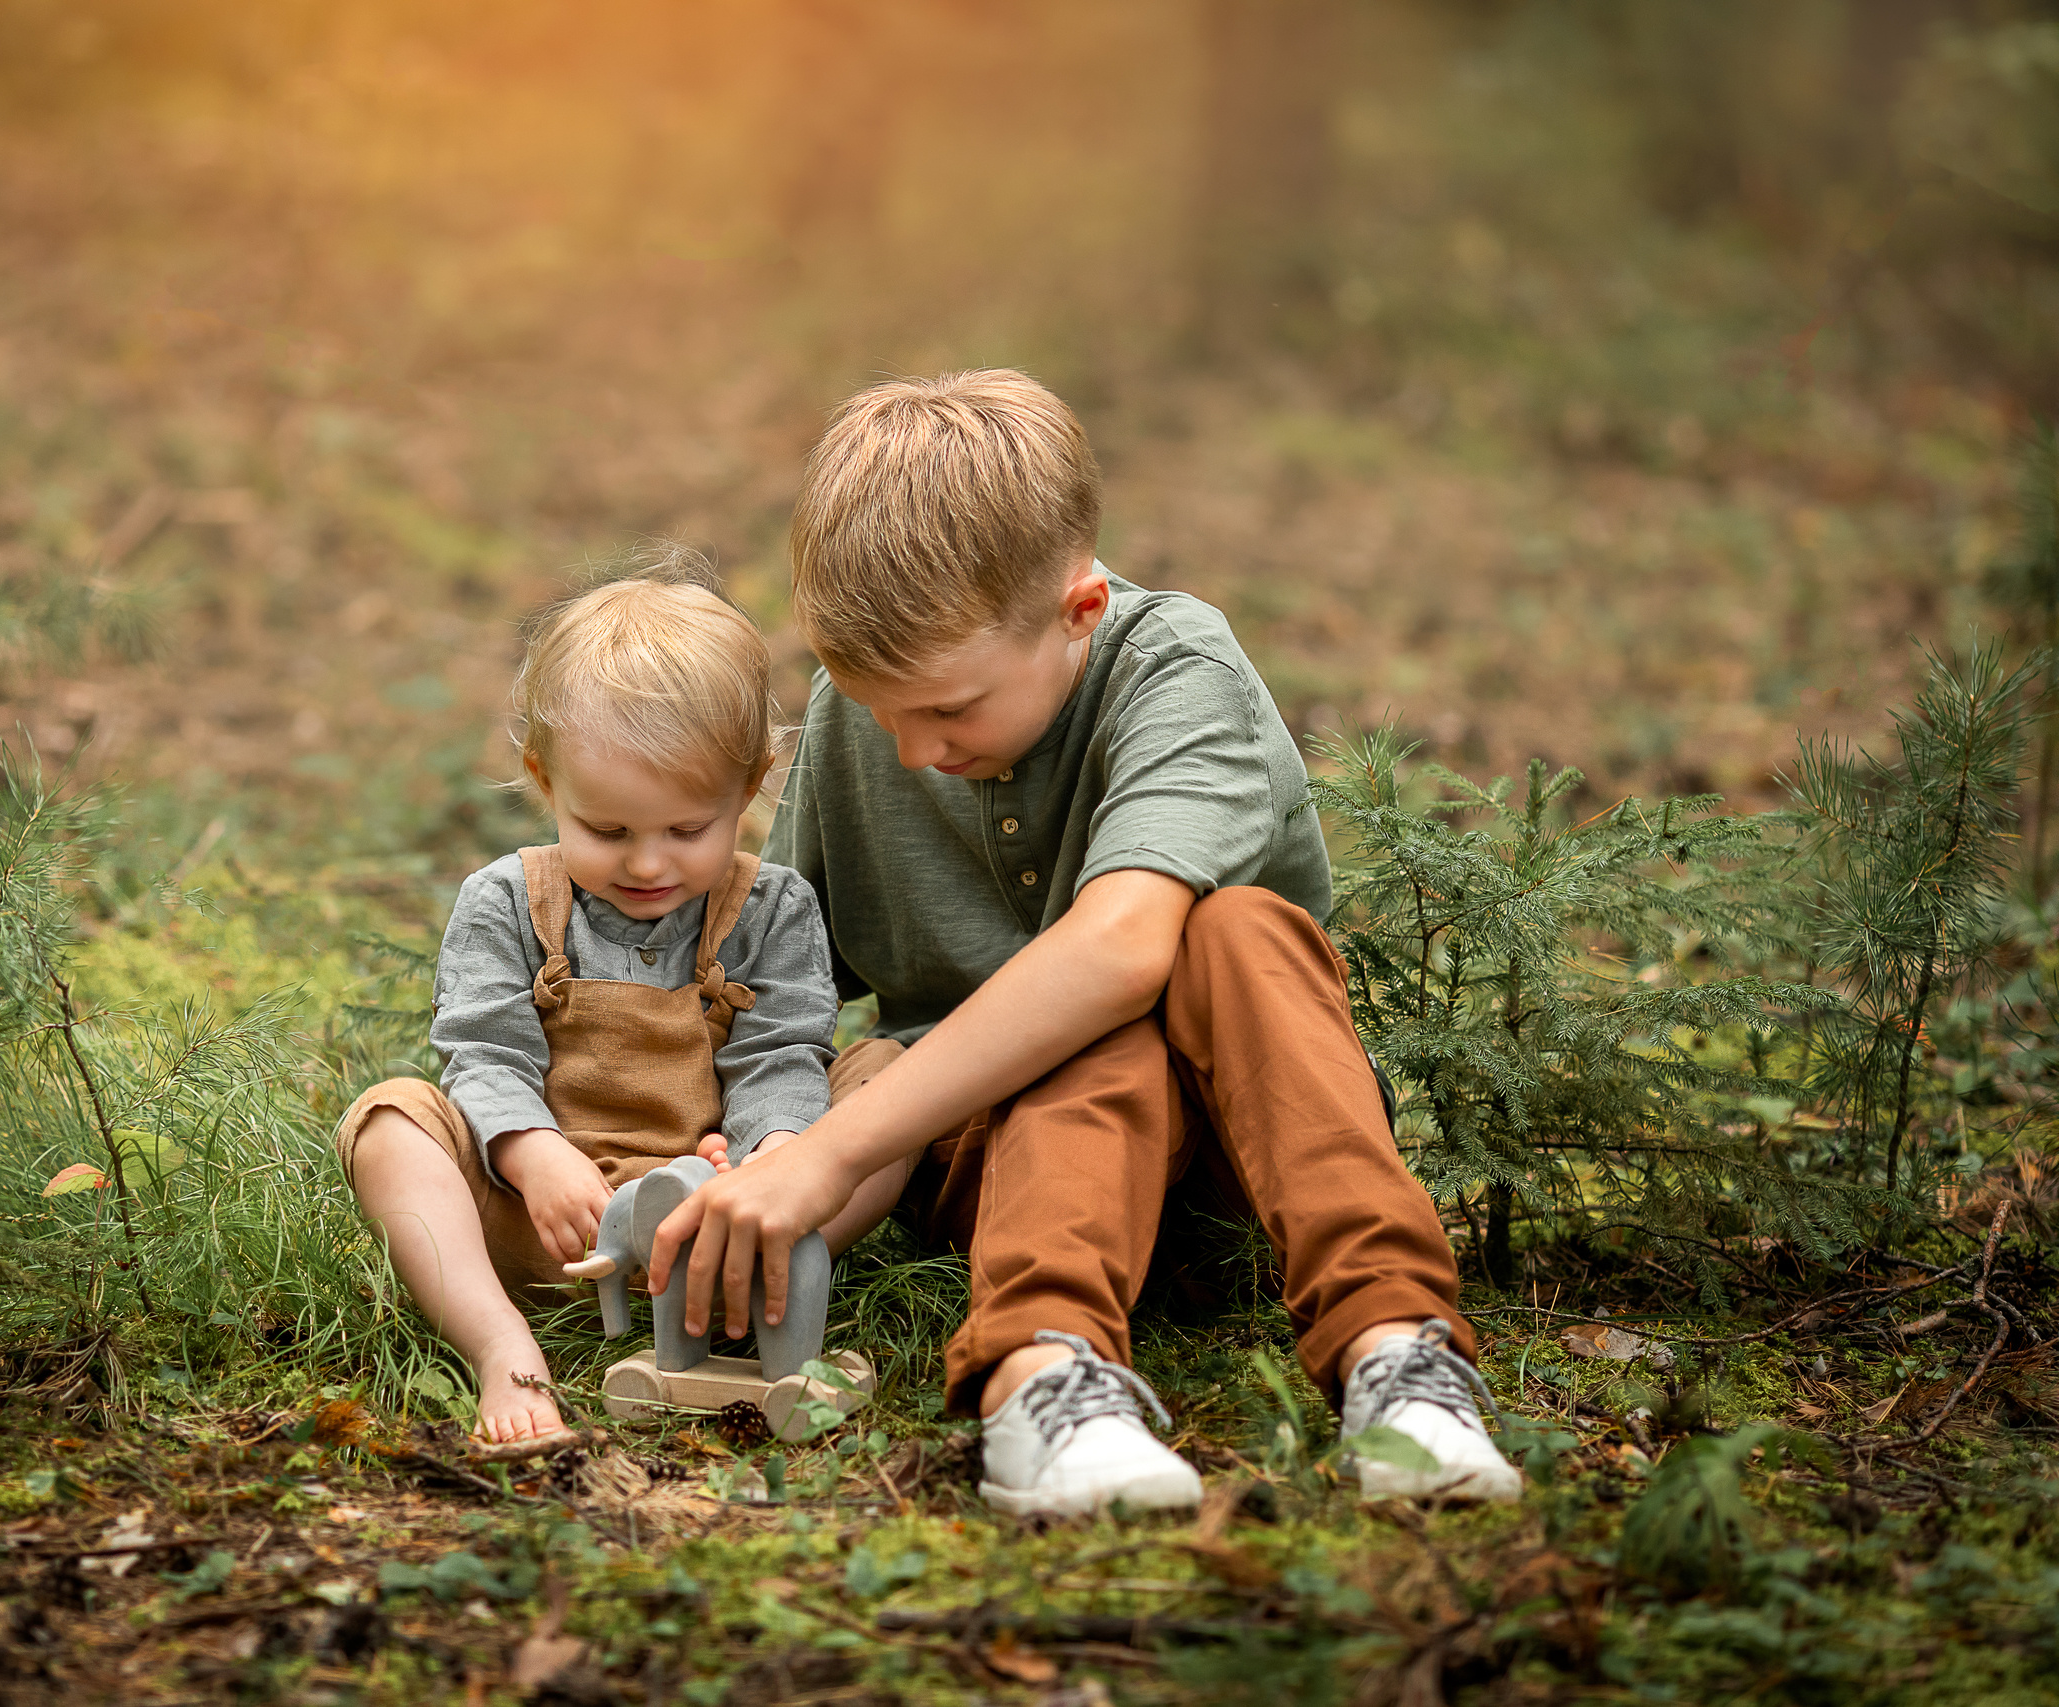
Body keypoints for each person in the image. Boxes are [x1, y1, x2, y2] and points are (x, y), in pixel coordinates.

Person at [643, 370, 1521, 1516]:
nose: (911, 752)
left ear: (1078, 613)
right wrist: (750, 1139)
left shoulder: (1176, 670)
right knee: (1075, 1024)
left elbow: (1116, 949)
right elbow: (769, 993)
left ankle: (1398, 1361)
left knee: (1225, 934)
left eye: (949, 713)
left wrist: (829, 1155)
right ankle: (1044, 1380)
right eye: (878, 712)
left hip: (1232, 1159)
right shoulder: (867, 721)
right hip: (988, 1166)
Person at [337, 553, 907, 1446]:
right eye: (607, 830)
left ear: (751, 783)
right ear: (544, 777)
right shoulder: (507, 901)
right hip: (539, 1219)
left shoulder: (773, 907)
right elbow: (485, 1053)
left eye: (688, 829)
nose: (648, 864)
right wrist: (530, 1152)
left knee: (890, 1079)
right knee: (390, 1119)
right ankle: (502, 1343)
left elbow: (781, 1055)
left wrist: (771, 1157)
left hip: (720, 1210)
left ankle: (757, 1275)